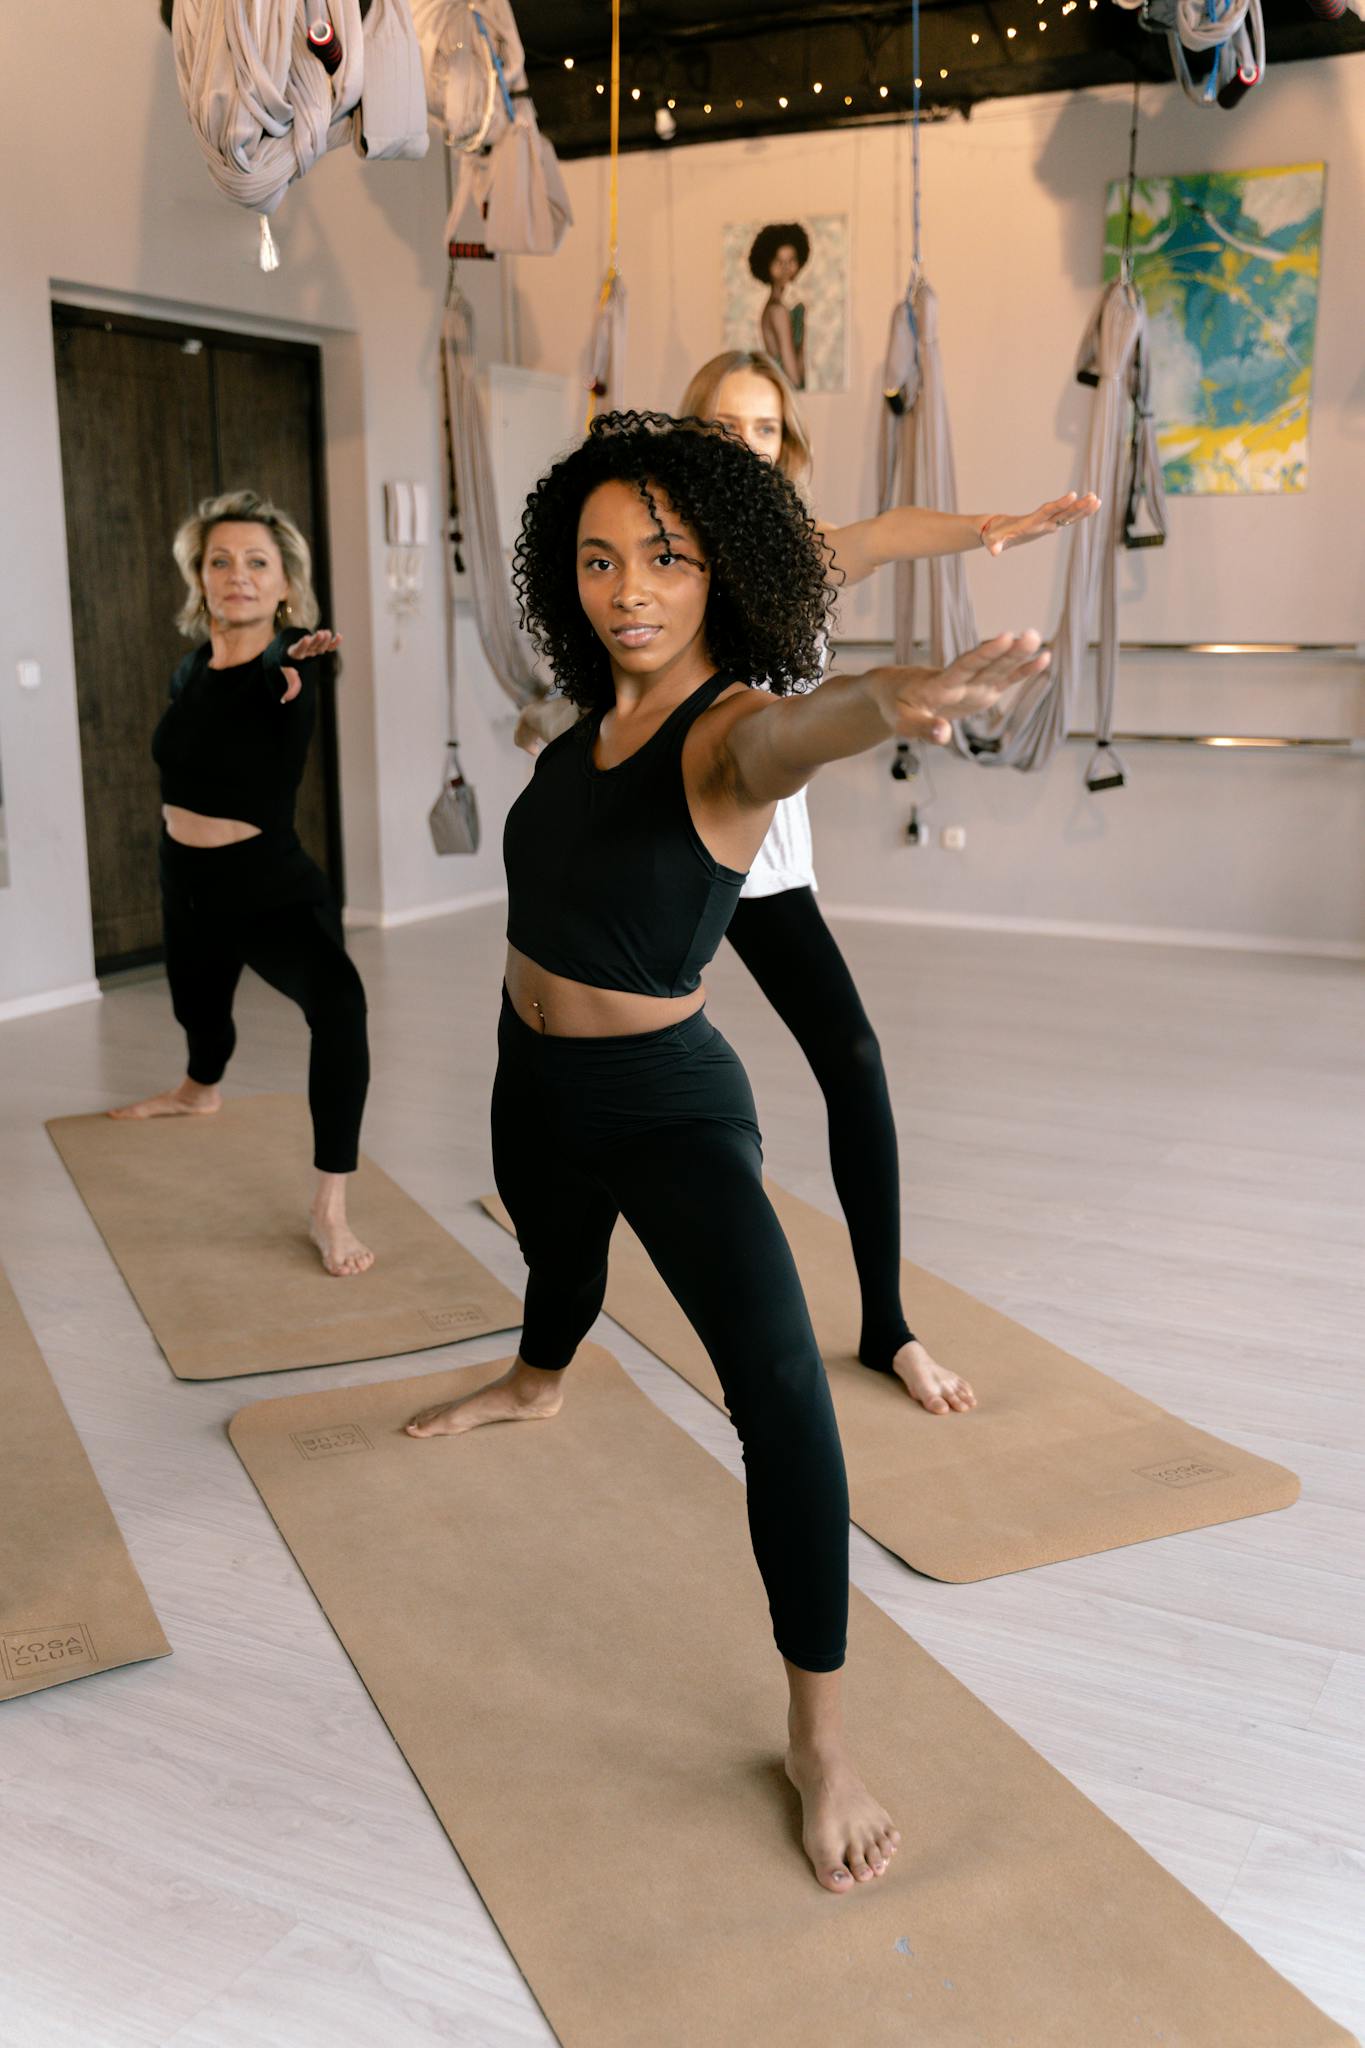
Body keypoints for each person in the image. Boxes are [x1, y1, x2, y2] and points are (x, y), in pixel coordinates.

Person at [406, 412, 1050, 1893]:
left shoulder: (723, 733)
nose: (630, 588)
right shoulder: (584, 734)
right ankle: (535, 1377)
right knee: (556, 1261)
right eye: (599, 561)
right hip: (530, 1075)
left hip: (667, 1102)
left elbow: (789, 735)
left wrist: (890, 698)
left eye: (668, 559)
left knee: (781, 1400)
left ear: (723, 575)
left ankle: (820, 1740)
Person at [518, 351, 1098, 1414]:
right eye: (722, 425)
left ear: (787, 446)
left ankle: (889, 1327)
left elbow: (893, 528)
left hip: (763, 854)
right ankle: (564, 1247)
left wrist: (988, 528)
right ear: (689, 438)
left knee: (853, 1055)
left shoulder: (803, 554)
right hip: (660, 843)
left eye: (764, 428)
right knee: (597, 1041)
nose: (744, 442)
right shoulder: (665, 563)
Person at [111, 488, 373, 1280]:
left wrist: (292, 669)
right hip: (183, 872)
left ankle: (329, 1204)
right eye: (220, 560)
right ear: (199, 577)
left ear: (284, 583)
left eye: (257, 562)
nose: (238, 575)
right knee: (198, 1009)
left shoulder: (290, 661)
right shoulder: (189, 667)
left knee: (339, 1007)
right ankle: (198, 1091)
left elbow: (286, 682)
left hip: (266, 883)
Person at [748, 222, 810, 389]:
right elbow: (794, 377)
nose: (786, 268)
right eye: (779, 261)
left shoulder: (776, 307)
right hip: (786, 393)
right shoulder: (778, 311)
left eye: (791, 260)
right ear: (767, 264)